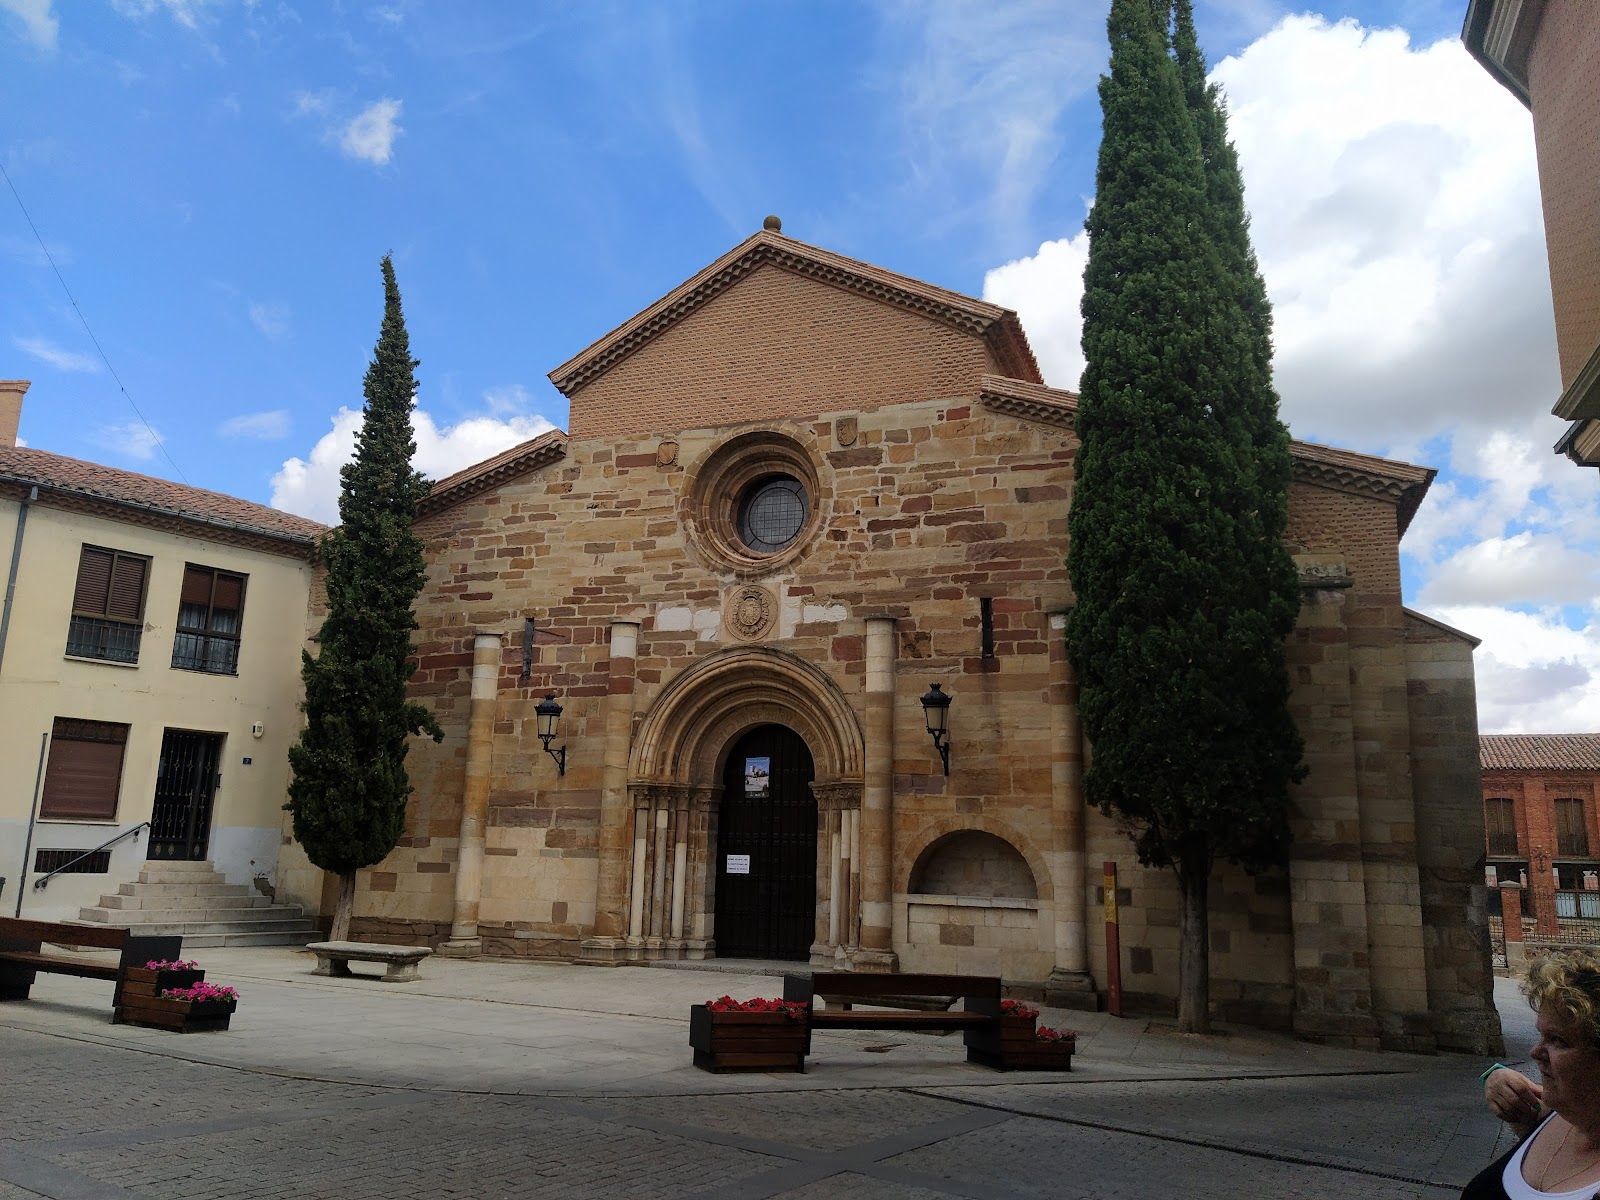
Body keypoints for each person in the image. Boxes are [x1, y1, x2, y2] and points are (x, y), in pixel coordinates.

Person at [1464, 949, 1600, 1198]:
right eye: (1542, 1036)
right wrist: (1519, 1113)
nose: (1535, 1051)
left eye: (1558, 1040)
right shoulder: (1553, 1117)